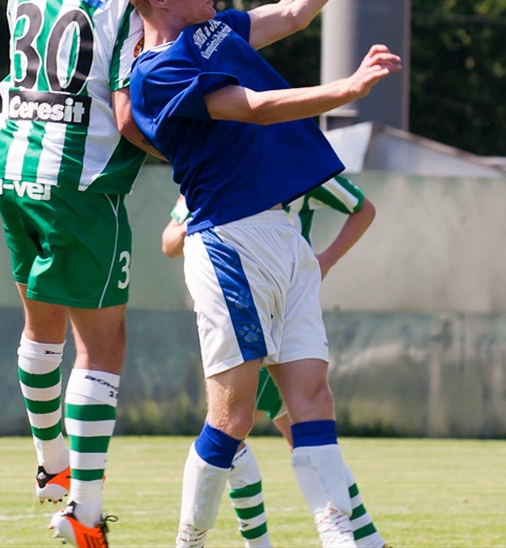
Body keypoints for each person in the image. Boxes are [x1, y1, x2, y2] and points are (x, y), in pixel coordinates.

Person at [124, 0, 402, 548]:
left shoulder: (215, 31)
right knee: (235, 415)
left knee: (313, 400)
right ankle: (188, 539)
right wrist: (346, 89)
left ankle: (345, 539)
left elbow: (296, 8)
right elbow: (250, 105)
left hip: (280, 234)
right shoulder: (155, 72)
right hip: (226, 243)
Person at [0, 0, 162, 548]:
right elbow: (126, 109)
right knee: (102, 345)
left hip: (10, 163)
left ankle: (52, 466)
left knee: (42, 327)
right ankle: (86, 518)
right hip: (77, 179)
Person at [162, 177, 390, 548]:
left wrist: (323, 263)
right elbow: (168, 242)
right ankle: (238, 541)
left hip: (287, 306)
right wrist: (210, 210)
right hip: (237, 298)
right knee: (235, 426)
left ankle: (358, 539)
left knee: (308, 423)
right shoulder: (214, 167)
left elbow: (362, 208)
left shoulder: (301, 167)